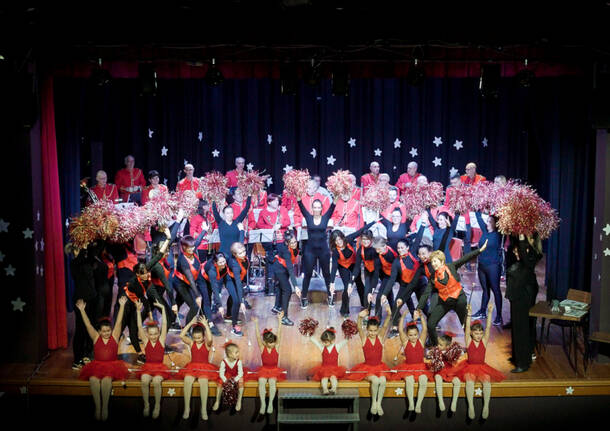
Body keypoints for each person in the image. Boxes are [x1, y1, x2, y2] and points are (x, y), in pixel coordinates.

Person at [419, 242, 488, 346]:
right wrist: (418, 308)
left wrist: (479, 251)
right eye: (432, 262)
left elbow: (465, 258)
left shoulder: (451, 266)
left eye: (435, 261)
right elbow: (426, 293)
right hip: (445, 302)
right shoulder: (433, 276)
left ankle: (472, 347)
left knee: (465, 324)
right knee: (431, 324)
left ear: (442, 261)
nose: (433, 264)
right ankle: (435, 347)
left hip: (459, 300)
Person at [119, 231, 171, 363]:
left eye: (146, 272)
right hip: (127, 303)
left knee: (133, 328)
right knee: (120, 327)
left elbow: (158, 256)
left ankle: (140, 353)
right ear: (137, 274)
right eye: (142, 274)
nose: (146, 275)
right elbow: (143, 299)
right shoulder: (134, 282)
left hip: (136, 302)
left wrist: (168, 240)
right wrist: (150, 313)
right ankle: (110, 349)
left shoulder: (144, 269)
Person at [76, 296, 129, 421]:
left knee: (106, 381)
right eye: (104, 331)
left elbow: (119, 322)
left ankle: (105, 407)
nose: (106, 333)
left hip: (111, 366)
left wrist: (121, 306)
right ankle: (97, 407)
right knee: (93, 380)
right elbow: (88, 325)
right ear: (99, 331)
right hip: (97, 365)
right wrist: (82, 311)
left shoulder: (115, 336)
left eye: (108, 330)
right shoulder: (95, 337)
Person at [450, 303, 505, 420]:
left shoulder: (483, 341)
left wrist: (490, 312)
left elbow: (489, 327)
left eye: (480, 333)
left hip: (481, 367)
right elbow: (467, 329)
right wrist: (469, 314)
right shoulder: (469, 341)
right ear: (471, 333)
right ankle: (471, 406)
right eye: (476, 333)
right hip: (469, 366)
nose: (479, 336)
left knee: (487, 382)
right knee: (469, 383)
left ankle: (486, 406)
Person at [505, 234, 542, 373]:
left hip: (525, 292)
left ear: (532, 239)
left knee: (522, 326)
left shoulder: (534, 253)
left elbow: (526, 262)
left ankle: (523, 362)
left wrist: (521, 240)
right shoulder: (524, 249)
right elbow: (514, 254)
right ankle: (517, 357)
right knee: (516, 324)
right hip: (517, 291)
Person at [347, 308, 392, 416]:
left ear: (377, 330)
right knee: (375, 381)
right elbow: (359, 327)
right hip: (368, 369)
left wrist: (389, 314)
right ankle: (373, 403)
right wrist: (360, 317)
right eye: (370, 331)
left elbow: (385, 326)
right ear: (367, 330)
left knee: (383, 381)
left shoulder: (380, 338)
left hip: (380, 367)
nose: (373, 333)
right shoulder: (364, 339)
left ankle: (379, 404)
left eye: (375, 330)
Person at [296, 194, 338, 309]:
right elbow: (300, 205)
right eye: (315, 207)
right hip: (310, 250)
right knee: (308, 274)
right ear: (312, 208)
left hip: (323, 250)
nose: (316, 209)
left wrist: (337, 194)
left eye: (319, 207)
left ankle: (330, 297)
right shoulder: (308, 217)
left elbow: (333, 206)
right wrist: (298, 195)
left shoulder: (325, 217)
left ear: (321, 209)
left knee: (326, 275)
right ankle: (304, 298)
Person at [329, 220, 376, 317]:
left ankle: (365, 303)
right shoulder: (335, 252)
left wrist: (373, 222)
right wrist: (332, 283)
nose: (339, 242)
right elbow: (334, 268)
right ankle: (344, 310)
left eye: (340, 239)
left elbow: (360, 231)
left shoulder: (349, 239)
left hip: (354, 264)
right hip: (343, 267)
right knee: (347, 288)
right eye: (336, 241)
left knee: (359, 283)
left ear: (342, 238)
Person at [380, 235, 425, 336]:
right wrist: (384, 294)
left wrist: (423, 223)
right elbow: (392, 279)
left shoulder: (413, 252)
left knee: (424, 306)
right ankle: (395, 328)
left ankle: (433, 323)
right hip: (406, 286)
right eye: (398, 248)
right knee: (396, 305)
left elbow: (418, 237)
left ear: (407, 247)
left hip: (419, 284)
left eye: (402, 247)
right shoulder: (396, 262)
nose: (400, 250)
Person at [178, 316, 218, 421]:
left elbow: (210, 339)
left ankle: (203, 409)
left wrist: (205, 325)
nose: (197, 340)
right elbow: (181, 335)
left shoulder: (207, 344)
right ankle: (187, 408)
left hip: (205, 368)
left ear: (203, 336)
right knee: (187, 380)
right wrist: (191, 323)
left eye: (199, 338)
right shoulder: (192, 343)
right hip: (193, 367)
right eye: (195, 338)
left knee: (203, 381)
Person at [390, 310, 431, 414]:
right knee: (409, 381)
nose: (413, 337)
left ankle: (418, 404)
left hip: (421, 367)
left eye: (415, 334)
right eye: (411, 335)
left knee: (423, 380)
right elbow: (400, 329)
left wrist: (422, 317)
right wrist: (403, 316)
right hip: (408, 367)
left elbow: (425, 329)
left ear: (418, 334)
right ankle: (411, 404)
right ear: (407, 335)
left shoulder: (421, 341)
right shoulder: (405, 342)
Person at [135, 300, 170, 419]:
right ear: (147, 334)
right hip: (148, 367)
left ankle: (157, 406)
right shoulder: (146, 341)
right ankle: (146, 405)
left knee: (156, 382)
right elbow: (139, 326)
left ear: (159, 333)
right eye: (151, 334)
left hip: (160, 368)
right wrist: (138, 311)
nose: (154, 336)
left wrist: (163, 308)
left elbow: (164, 324)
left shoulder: (161, 340)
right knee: (144, 380)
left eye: (156, 334)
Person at [201, 252, 246, 336]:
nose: (223, 264)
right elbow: (215, 289)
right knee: (207, 299)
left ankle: (234, 324)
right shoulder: (212, 270)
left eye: (224, 262)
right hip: (204, 279)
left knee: (235, 297)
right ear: (215, 263)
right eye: (220, 263)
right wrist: (220, 306)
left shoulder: (227, 260)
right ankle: (210, 323)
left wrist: (241, 300)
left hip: (223, 275)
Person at [255, 193, 291, 295]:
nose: (277, 202)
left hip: (281, 240)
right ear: (269, 202)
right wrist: (271, 228)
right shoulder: (263, 212)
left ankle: (281, 285)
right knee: (271, 263)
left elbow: (287, 221)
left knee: (281, 263)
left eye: (277, 200)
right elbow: (259, 225)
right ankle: (270, 287)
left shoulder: (282, 209)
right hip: (270, 241)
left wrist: (281, 225)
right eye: (274, 200)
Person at [472, 212, 504, 325]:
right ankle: (482, 311)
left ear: (496, 223)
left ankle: (499, 316)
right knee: (485, 289)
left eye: (491, 221)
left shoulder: (499, 233)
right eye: (488, 221)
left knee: (495, 290)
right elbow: (478, 216)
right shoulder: (485, 231)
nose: (488, 223)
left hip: (493, 266)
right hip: (482, 265)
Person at [251, 314, 286, 415]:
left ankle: (270, 403)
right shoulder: (263, 348)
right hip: (264, 370)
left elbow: (279, 334)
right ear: (265, 342)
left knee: (272, 383)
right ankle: (263, 404)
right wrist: (256, 324)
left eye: (273, 342)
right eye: (269, 343)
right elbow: (258, 337)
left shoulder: (276, 347)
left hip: (274, 370)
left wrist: (280, 321)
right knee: (261, 382)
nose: (271, 344)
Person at [427, 333, 464, 413]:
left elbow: (459, 354)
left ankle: (454, 402)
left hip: (449, 369)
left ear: (447, 347)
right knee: (438, 379)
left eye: (440, 345)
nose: (438, 346)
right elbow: (429, 354)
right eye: (438, 344)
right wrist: (431, 354)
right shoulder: (436, 351)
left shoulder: (450, 352)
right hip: (440, 370)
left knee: (457, 381)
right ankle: (440, 401)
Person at [307, 327, 348, 394]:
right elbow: (314, 341)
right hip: (324, 369)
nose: (323, 343)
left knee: (333, 378)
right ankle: (325, 390)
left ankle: (334, 389)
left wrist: (348, 333)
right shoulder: (322, 347)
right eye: (323, 342)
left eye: (325, 342)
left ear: (332, 340)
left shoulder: (337, 347)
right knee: (324, 378)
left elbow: (345, 341)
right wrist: (309, 332)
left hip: (334, 369)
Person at [271, 231, 299, 325]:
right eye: (292, 243)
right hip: (279, 269)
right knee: (287, 290)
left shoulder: (293, 247)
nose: (294, 244)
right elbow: (291, 269)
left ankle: (277, 307)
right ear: (287, 243)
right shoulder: (286, 251)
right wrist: (296, 286)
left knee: (280, 287)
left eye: (295, 242)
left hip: (284, 268)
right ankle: (284, 317)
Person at [351, 230, 379, 312]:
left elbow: (377, 269)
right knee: (367, 292)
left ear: (371, 239)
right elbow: (357, 267)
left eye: (367, 239)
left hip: (378, 271)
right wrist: (352, 280)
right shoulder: (360, 250)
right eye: (363, 239)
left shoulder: (375, 248)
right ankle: (367, 310)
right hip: (368, 271)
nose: (365, 241)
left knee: (387, 293)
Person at [213, 342, 246, 412]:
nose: (238, 354)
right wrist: (225, 380)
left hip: (236, 375)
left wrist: (234, 380)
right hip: (227, 375)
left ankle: (239, 401)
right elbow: (221, 373)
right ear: (230, 354)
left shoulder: (238, 362)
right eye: (236, 352)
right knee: (220, 382)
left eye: (238, 352)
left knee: (241, 381)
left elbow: (240, 373)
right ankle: (217, 401)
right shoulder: (224, 361)